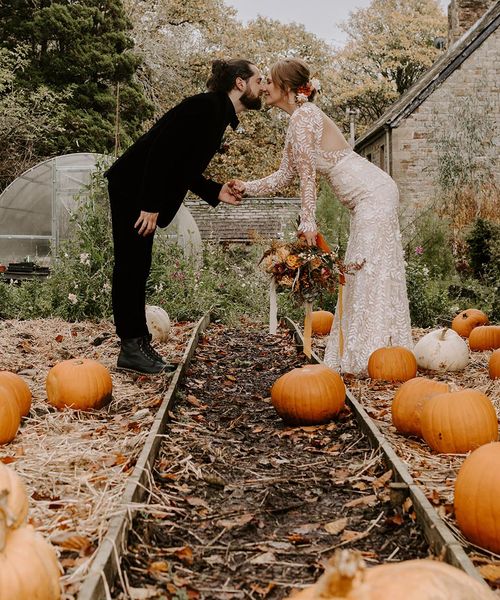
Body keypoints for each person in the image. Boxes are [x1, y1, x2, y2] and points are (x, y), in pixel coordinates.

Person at [229, 58, 413, 376]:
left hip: (374, 194)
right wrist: (245, 187)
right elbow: (283, 176)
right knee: (360, 272)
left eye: (270, 81)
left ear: (286, 88)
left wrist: (309, 221)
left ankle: (374, 355)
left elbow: (308, 177)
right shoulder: (297, 121)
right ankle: (371, 350)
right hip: (365, 200)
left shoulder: (306, 116)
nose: (265, 87)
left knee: (365, 271)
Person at [105, 58, 263, 374]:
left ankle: (138, 342)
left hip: (139, 189)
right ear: (240, 83)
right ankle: (130, 347)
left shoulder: (216, 112)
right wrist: (149, 205)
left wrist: (215, 190)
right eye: (259, 80)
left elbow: (182, 165)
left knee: (139, 265)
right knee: (130, 264)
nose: (263, 87)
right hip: (132, 187)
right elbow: (161, 151)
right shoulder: (206, 108)